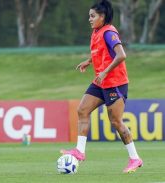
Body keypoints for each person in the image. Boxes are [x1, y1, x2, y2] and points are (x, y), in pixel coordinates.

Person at [60, 0, 143, 173]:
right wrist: (89, 61)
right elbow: (102, 52)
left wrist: (105, 72)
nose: (89, 19)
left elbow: (121, 55)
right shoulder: (96, 32)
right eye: (89, 16)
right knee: (82, 110)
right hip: (101, 82)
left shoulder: (109, 32)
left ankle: (135, 158)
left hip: (115, 83)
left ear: (102, 17)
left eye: (92, 16)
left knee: (116, 122)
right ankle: (80, 151)